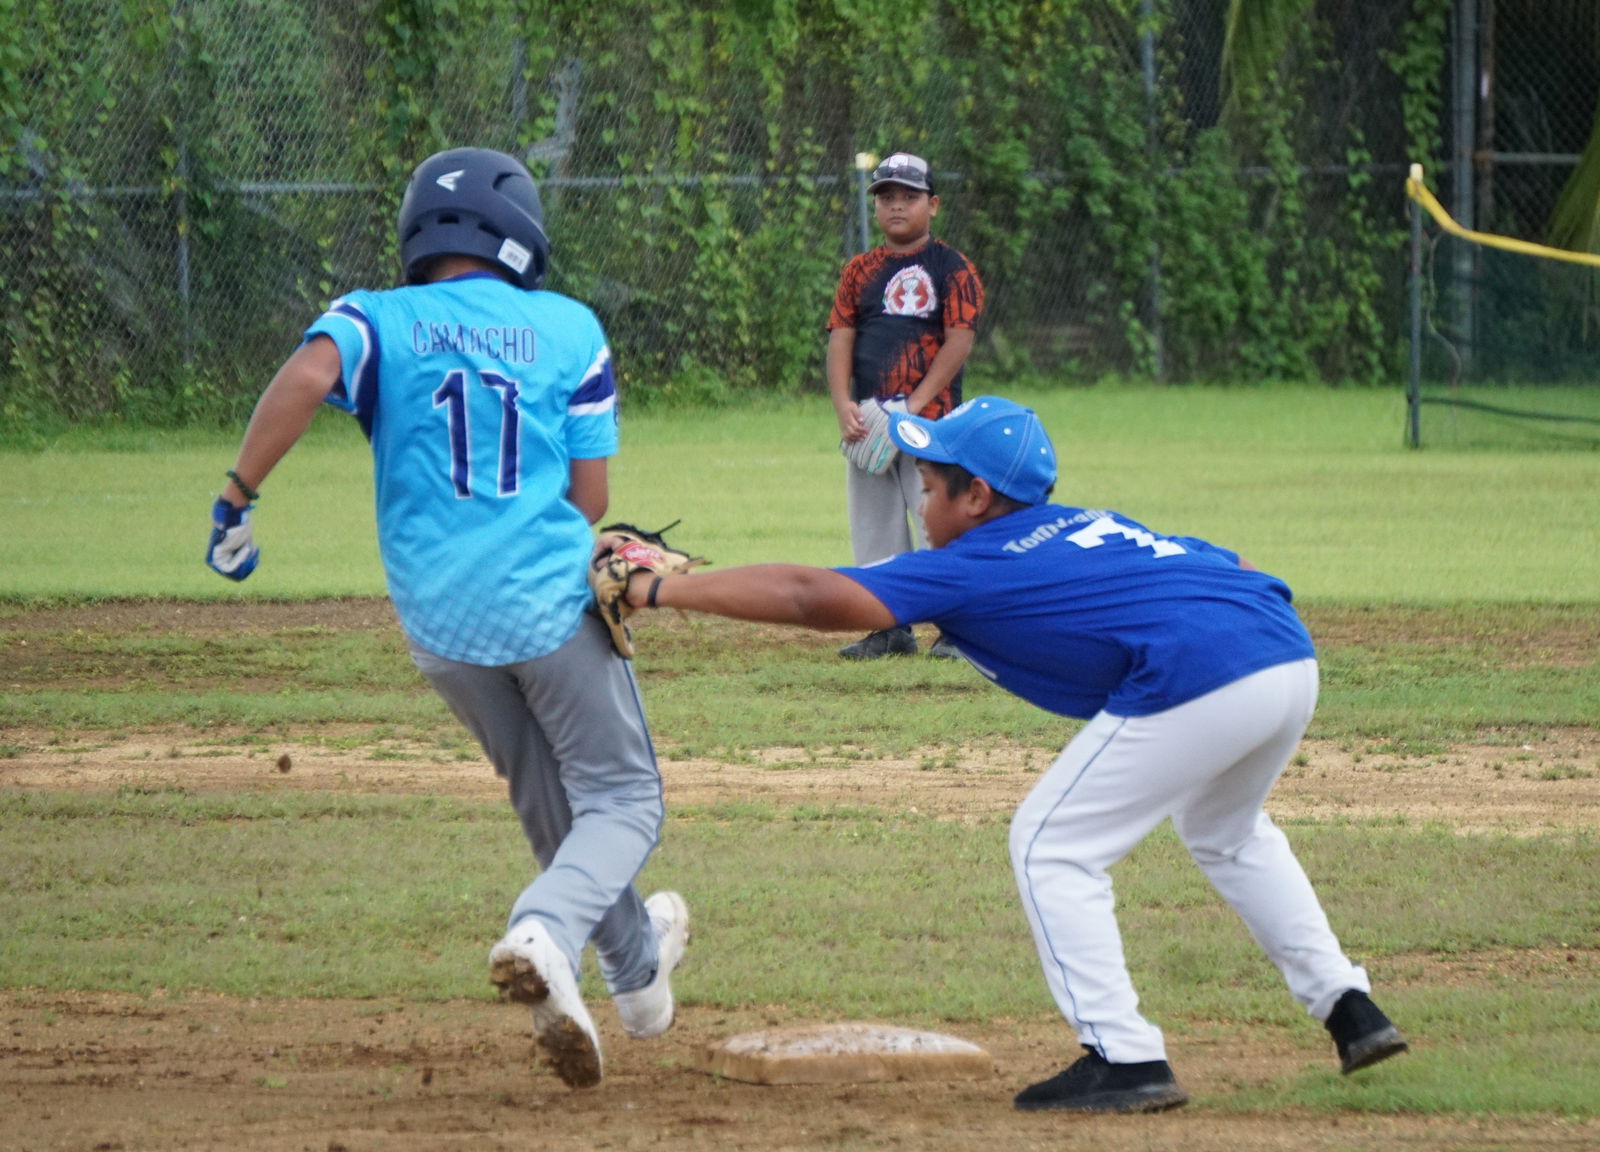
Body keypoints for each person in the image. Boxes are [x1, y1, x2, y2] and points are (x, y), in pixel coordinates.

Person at [600, 396, 1408, 1113]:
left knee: (1052, 844)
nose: (919, 495)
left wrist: (656, 590)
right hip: (1284, 656)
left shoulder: (977, 565)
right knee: (1228, 834)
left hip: (1201, 675)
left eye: (931, 480)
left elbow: (818, 600)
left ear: (976, 496)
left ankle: (1125, 1058)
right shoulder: (1093, 524)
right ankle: (1351, 1010)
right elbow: (1238, 566)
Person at [203, 146, 688, 1091]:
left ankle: (636, 974)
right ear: (518, 234)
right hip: (546, 605)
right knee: (626, 800)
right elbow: (589, 498)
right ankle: (543, 930)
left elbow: (304, 379)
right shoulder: (568, 327)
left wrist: (236, 497)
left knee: (546, 788)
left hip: (438, 626)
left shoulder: (374, 317)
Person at [827, 151, 984, 660]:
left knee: (937, 520)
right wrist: (843, 404)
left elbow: (959, 341)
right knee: (874, 527)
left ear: (932, 204)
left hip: (932, 422)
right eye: (887, 197)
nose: (897, 206)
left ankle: (961, 630)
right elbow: (841, 339)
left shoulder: (951, 267)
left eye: (909, 196)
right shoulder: (860, 270)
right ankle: (889, 627)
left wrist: (914, 405)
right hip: (871, 418)